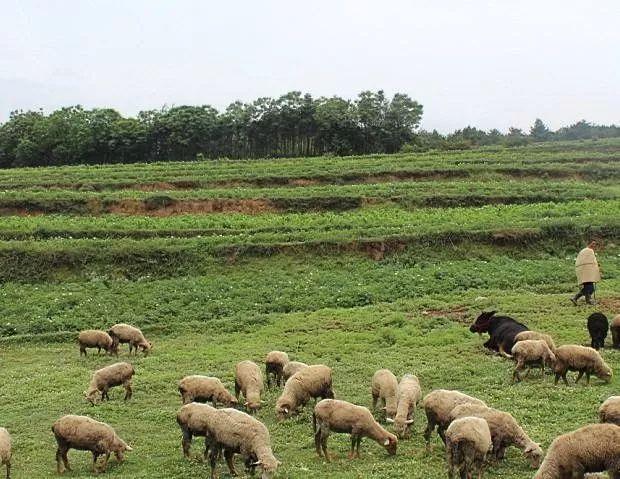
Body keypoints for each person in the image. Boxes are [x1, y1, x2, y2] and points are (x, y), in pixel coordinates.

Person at [571, 240, 601, 305]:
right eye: (593, 243)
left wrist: (596, 265)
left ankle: (588, 301)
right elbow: (583, 262)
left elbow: (591, 262)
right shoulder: (588, 251)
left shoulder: (584, 251)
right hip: (586, 272)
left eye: (595, 244)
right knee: (590, 288)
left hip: (587, 272)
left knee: (588, 287)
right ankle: (575, 297)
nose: (594, 245)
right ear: (589, 243)